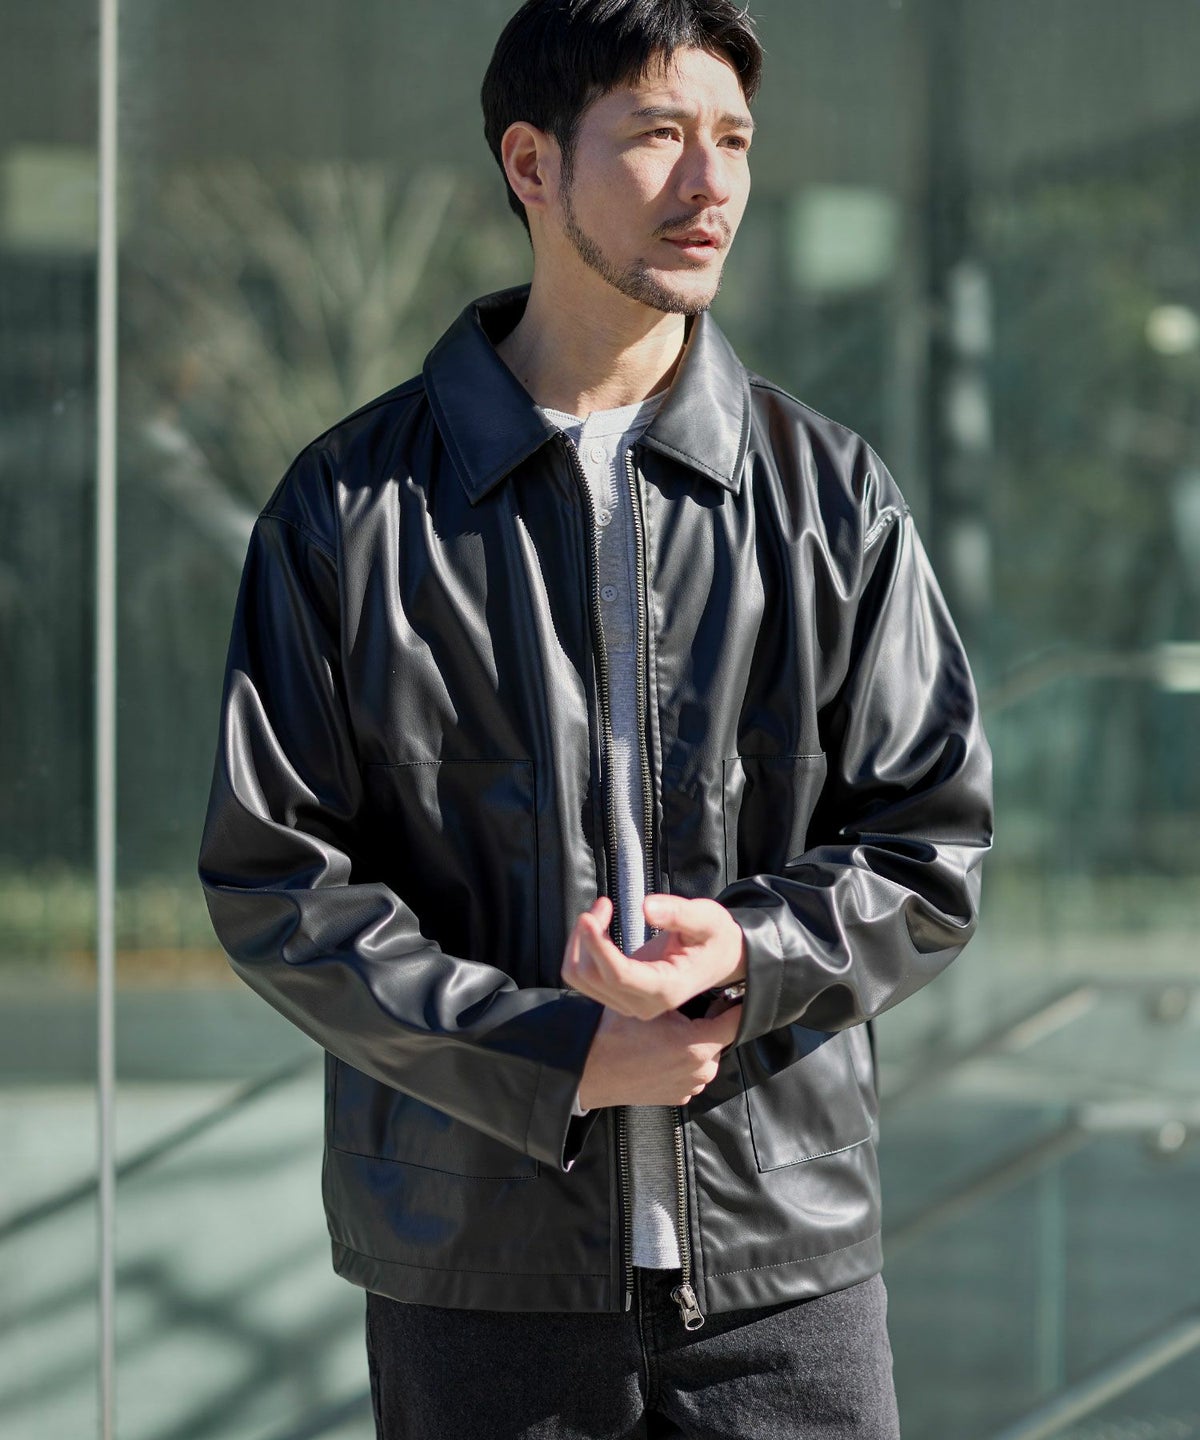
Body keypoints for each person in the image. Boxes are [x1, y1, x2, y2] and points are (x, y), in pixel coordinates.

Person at [198, 1, 994, 1435]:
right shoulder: (349, 508)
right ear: (531, 164)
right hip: (477, 1282)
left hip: (786, 1279)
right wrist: (547, 1054)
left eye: (734, 139)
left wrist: (751, 950)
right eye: (658, 136)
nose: (711, 183)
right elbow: (277, 883)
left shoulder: (832, 497)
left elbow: (930, 847)